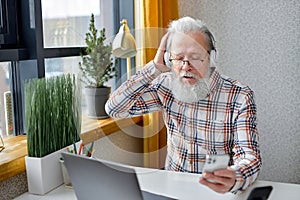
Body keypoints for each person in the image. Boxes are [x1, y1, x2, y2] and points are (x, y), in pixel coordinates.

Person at [105, 16, 261, 194]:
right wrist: (154, 67)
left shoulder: (239, 96)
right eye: (178, 58)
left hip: (217, 191)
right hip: (174, 188)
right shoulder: (165, 85)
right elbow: (115, 109)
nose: (186, 67)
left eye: (195, 58)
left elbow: (249, 156)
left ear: (211, 58)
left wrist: (235, 176)